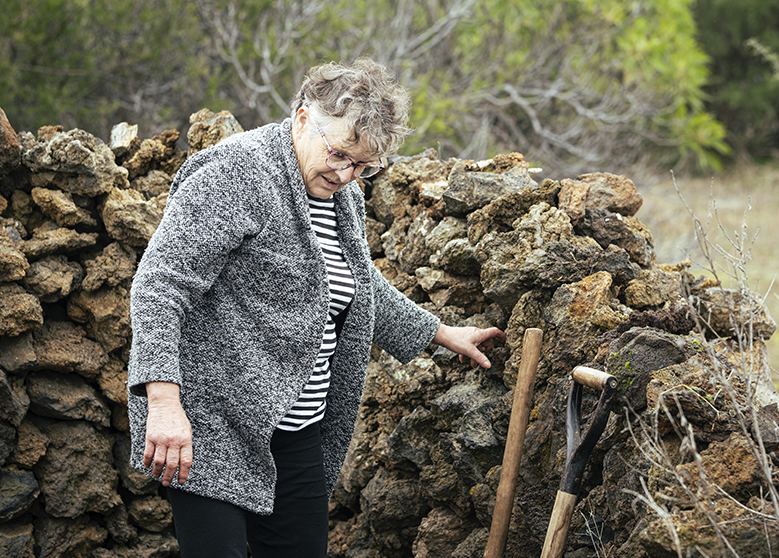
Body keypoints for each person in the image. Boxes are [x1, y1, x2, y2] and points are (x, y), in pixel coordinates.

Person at [127, 58, 506, 558]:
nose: (347, 173)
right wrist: (163, 403)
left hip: (298, 431)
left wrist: (438, 332)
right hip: (212, 423)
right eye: (340, 154)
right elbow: (160, 283)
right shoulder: (236, 172)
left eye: (363, 166)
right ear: (303, 118)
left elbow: (352, 281)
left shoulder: (338, 193)